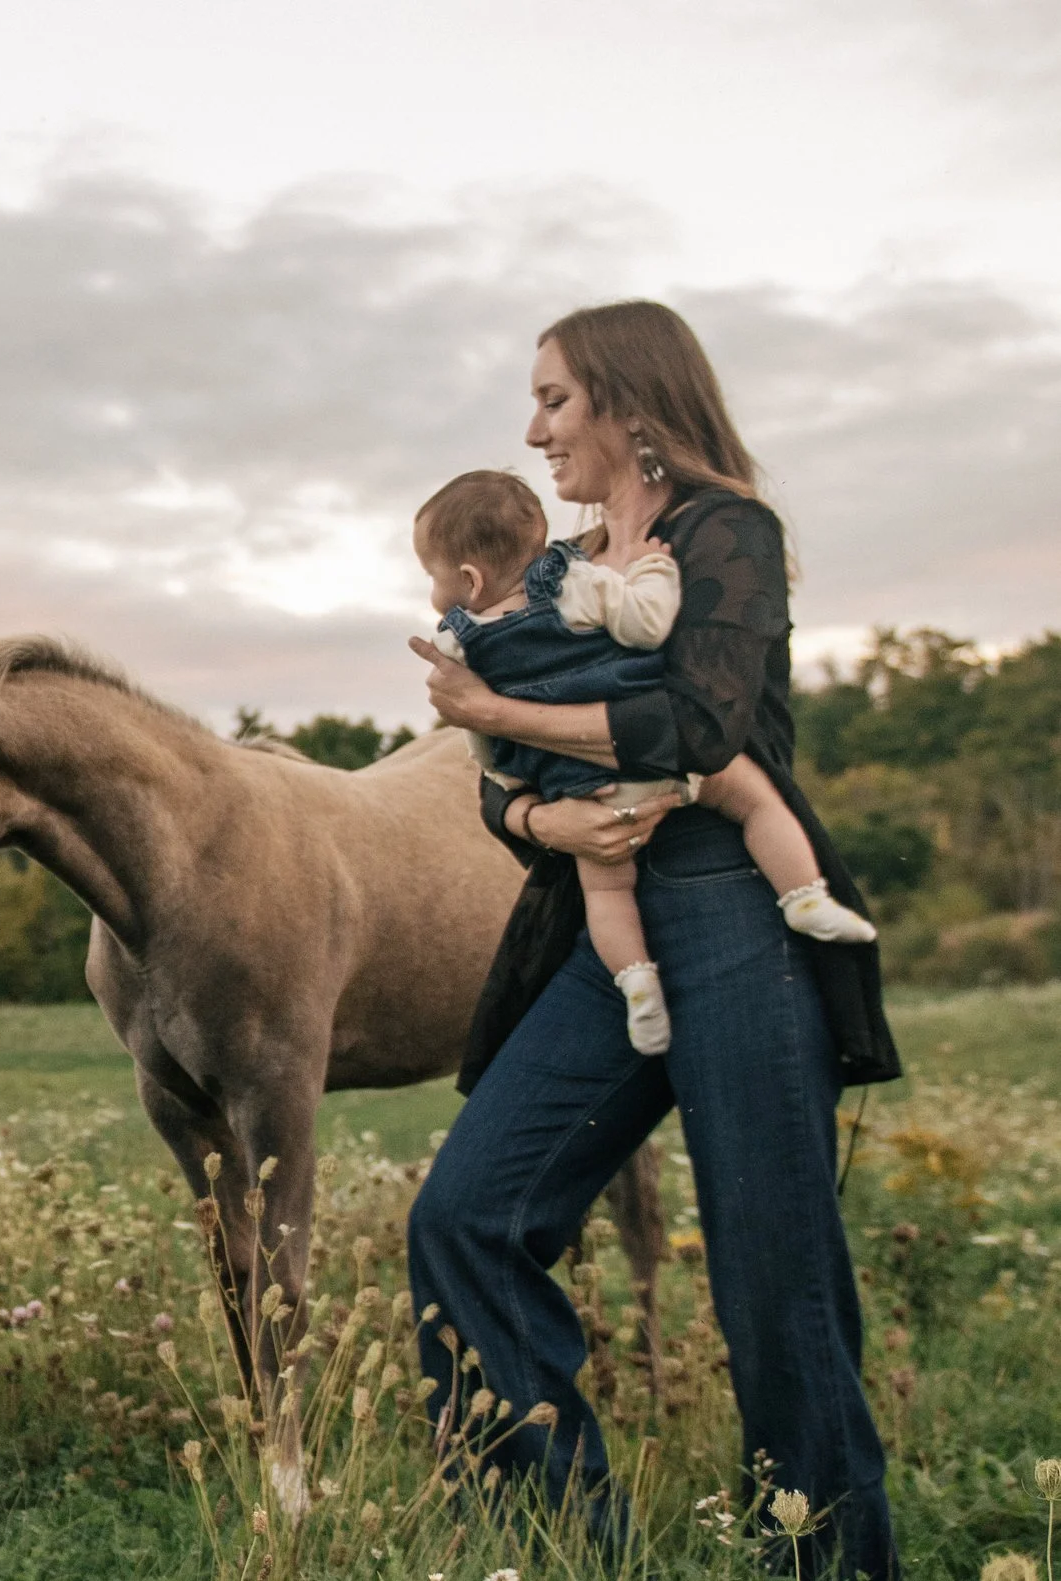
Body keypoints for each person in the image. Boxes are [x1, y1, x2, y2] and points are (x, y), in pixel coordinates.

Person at [405, 300, 902, 1577]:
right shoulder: (559, 559)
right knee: (467, 1217)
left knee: (770, 1270)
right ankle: (562, 1546)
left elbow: (700, 724)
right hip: (605, 926)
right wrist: (533, 810)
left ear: (630, 404)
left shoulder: (725, 534)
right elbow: (484, 769)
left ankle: (831, 1566)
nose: (532, 432)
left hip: (738, 908)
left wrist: (494, 706)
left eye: (554, 400)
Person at [412, 468, 874, 1054]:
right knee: (756, 799)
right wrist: (653, 569)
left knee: (607, 893)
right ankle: (804, 896)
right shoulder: (578, 583)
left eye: (432, 576)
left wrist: (509, 777)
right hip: (650, 755)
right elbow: (648, 624)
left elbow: (476, 729)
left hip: (579, 790)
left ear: (469, 579)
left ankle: (637, 984)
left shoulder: (459, 644)